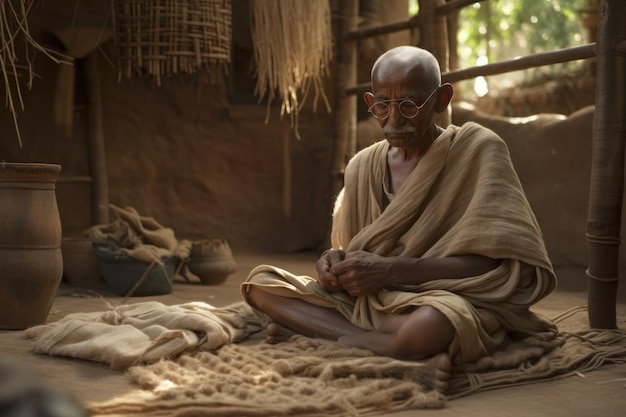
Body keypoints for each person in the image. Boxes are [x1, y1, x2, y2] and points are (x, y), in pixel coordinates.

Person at [241, 46, 558, 372]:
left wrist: (393, 270)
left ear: (441, 99)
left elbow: (494, 264)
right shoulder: (362, 166)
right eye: (383, 105)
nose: (394, 120)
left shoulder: (478, 150)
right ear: (370, 103)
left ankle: (334, 336)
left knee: (432, 325)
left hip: (441, 297)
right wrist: (332, 263)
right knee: (261, 285)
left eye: (409, 104)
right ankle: (385, 344)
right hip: (371, 300)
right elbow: (354, 250)